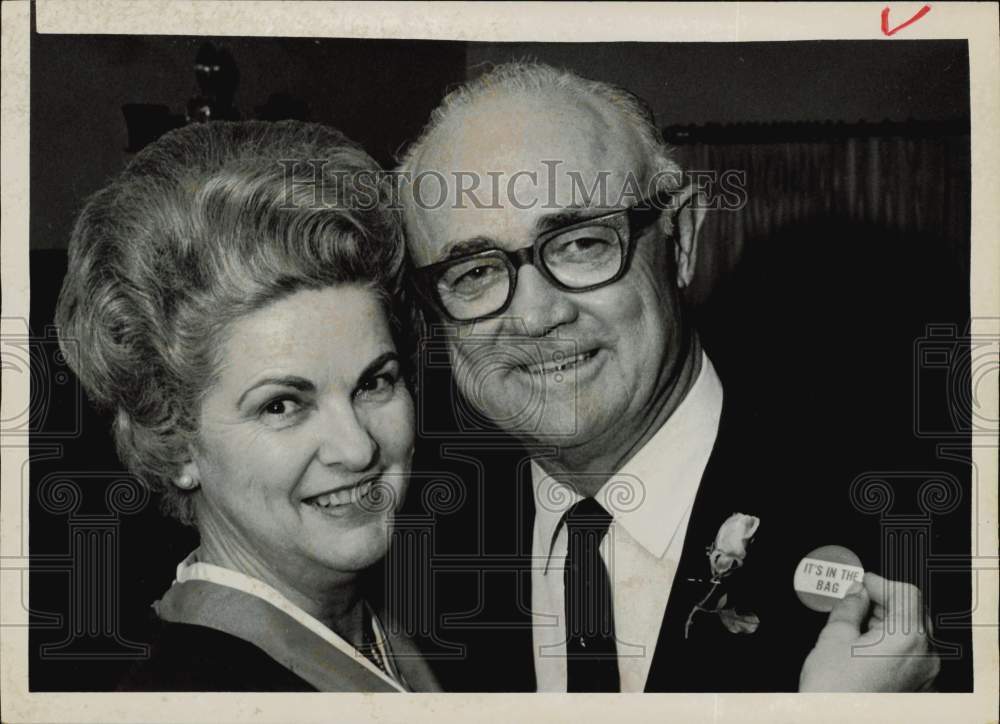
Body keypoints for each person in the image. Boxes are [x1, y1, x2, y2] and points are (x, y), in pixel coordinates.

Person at [397, 62, 942, 692]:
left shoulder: (905, 528)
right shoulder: (403, 556)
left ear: (679, 238)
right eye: (474, 273)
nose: (536, 316)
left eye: (580, 244)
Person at [55, 120, 438, 692]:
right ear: (175, 436)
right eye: (282, 405)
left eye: (373, 383)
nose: (357, 448)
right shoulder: (193, 690)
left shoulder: (387, 628)